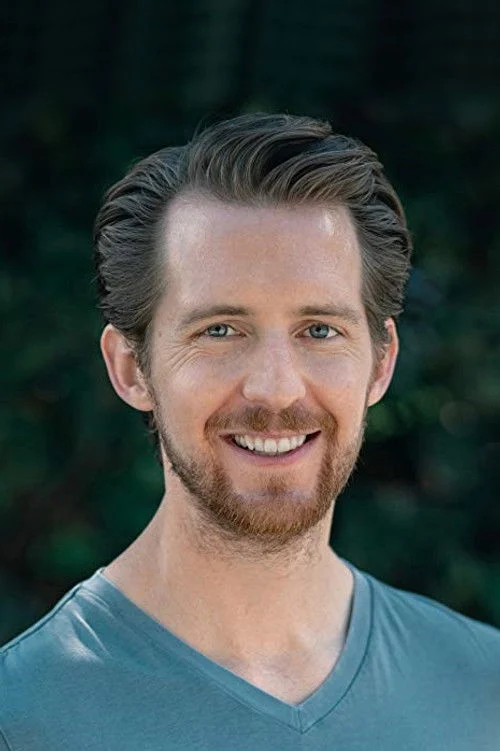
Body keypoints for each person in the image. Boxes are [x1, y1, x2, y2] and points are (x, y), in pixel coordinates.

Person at [1, 113, 499, 750]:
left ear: (381, 363)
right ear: (131, 368)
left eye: (320, 330)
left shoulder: (482, 687)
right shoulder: (23, 716)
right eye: (220, 330)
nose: (276, 389)